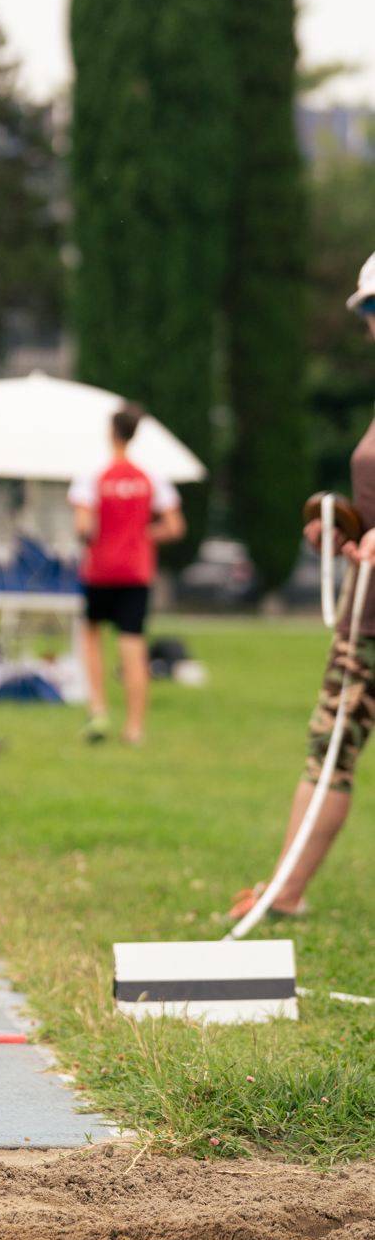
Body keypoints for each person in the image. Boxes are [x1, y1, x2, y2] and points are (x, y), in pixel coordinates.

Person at [232, 254, 375, 919]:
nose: (370, 323)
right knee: (330, 749)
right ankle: (285, 893)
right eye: (366, 310)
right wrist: (343, 525)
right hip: (364, 613)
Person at [68, 403, 186, 745]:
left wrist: (100, 534)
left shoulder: (93, 475)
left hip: (100, 570)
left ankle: (98, 710)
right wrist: (143, 534)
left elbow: (81, 526)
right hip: (136, 571)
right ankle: (134, 728)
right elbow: (175, 527)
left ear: (111, 433)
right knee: (133, 645)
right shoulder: (151, 477)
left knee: (91, 635)